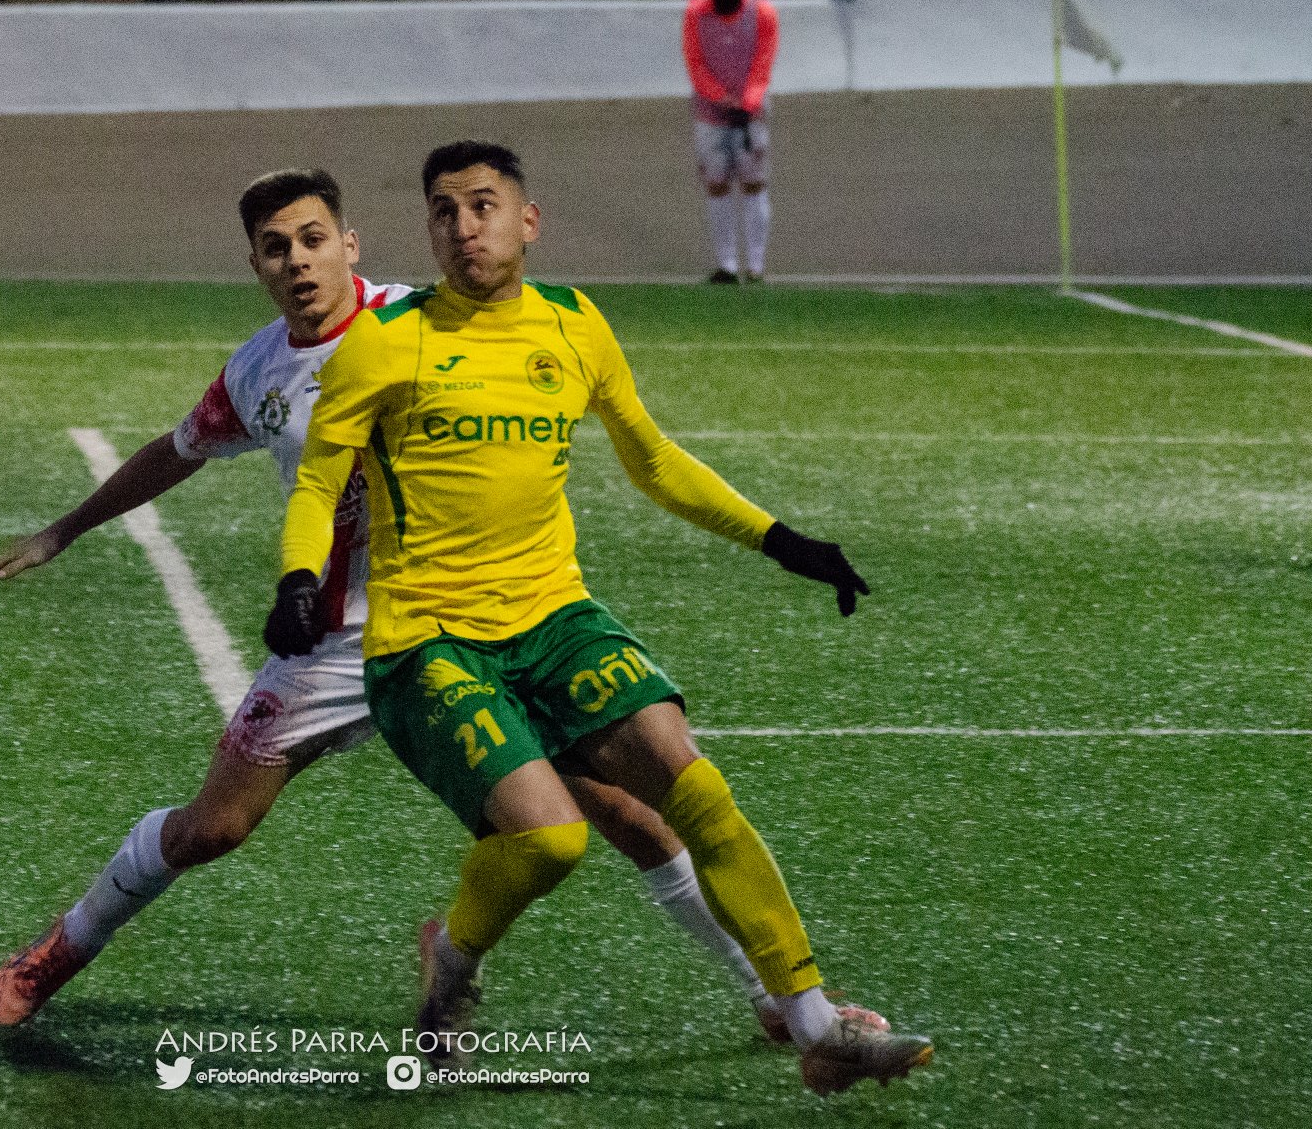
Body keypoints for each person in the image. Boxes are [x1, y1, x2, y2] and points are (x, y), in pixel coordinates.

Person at [0, 169, 867, 1046]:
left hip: (467, 624)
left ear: (349, 244)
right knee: (213, 828)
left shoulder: (426, 321)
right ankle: (64, 945)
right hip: (327, 642)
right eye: (275, 249)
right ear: (255, 266)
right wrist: (66, 529)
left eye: (313, 240)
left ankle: (773, 998)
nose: (298, 262)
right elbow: (177, 450)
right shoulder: (256, 372)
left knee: (631, 814)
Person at [266, 141, 932, 1095]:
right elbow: (324, 475)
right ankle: (448, 965)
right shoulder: (385, 339)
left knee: (697, 789)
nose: (465, 229)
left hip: (553, 614)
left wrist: (781, 540)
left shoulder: (574, 324)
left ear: (527, 221)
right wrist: (298, 575)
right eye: (445, 212)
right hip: (427, 638)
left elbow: (653, 459)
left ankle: (816, 1024)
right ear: (429, 229)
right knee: (551, 840)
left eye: (484, 206)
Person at [682, 0, 779, 284]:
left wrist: (747, 101)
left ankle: (755, 265)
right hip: (710, 117)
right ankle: (726, 264)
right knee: (717, 186)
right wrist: (720, 98)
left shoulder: (763, 13)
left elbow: (763, 62)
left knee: (754, 184)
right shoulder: (696, 13)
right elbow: (695, 62)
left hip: (751, 116)